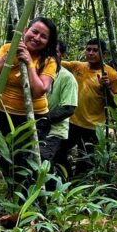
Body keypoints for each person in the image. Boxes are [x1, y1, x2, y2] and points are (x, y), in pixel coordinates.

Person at [0, 17, 58, 187]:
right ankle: (13, 193)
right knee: (5, 158)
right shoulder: (8, 48)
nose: (37, 38)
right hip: (5, 115)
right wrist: (9, 57)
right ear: (25, 31)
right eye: (34, 32)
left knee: (26, 160)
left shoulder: (49, 60)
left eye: (43, 36)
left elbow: (39, 90)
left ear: (48, 42)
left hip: (34, 118)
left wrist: (29, 63)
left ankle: (30, 195)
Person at [56, 38, 117, 176]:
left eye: (95, 50)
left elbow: (116, 104)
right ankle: (66, 179)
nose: (91, 53)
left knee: (85, 162)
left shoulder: (112, 75)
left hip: (92, 127)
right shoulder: (77, 66)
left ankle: (77, 185)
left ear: (104, 54)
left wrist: (106, 88)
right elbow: (56, 61)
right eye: (88, 49)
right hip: (71, 122)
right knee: (57, 153)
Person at [42, 41, 78, 173]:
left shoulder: (67, 78)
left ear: (62, 55)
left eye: (54, 52)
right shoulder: (38, 72)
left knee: (43, 160)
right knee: (56, 161)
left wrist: (43, 119)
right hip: (37, 129)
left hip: (55, 131)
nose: (50, 55)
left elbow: (68, 108)